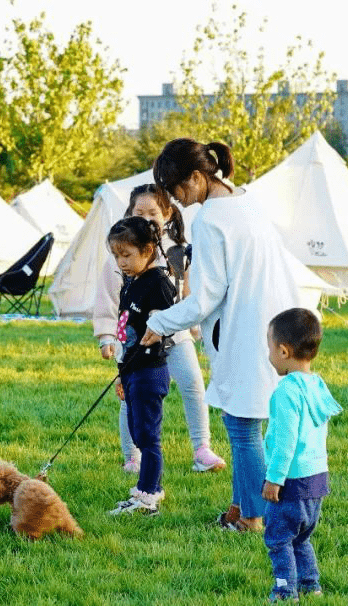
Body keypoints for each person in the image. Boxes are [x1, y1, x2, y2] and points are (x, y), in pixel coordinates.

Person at [140, 138, 303, 532]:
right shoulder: (246, 200)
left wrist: (158, 323)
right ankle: (239, 505)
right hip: (275, 322)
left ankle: (253, 517)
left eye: (177, 189)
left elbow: (206, 297)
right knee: (244, 422)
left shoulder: (211, 218)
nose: (177, 200)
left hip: (247, 330)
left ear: (197, 177)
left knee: (243, 428)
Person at [94, 184, 225, 474]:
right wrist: (106, 336)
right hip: (136, 340)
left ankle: (201, 448)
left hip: (174, 333)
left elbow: (187, 293)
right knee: (132, 394)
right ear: (130, 213)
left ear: (167, 214)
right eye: (139, 212)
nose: (147, 217)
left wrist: (195, 328)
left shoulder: (179, 251)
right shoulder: (121, 255)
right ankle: (132, 455)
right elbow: (108, 299)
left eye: (153, 212)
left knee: (193, 385)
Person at [262, 308, 341, 602]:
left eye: (270, 348)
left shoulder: (286, 392)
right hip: (317, 479)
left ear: (284, 351)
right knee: (301, 538)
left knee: (278, 540)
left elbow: (285, 443)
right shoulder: (317, 385)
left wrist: (274, 479)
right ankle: (311, 585)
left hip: (291, 482)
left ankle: (284, 590)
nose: (269, 355)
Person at [104, 216, 176, 516]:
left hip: (150, 371)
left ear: (148, 250)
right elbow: (126, 333)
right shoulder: (130, 282)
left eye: (127, 255)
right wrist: (121, 375)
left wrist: (160, 323)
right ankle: (150, 489)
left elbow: (169, 318)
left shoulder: (157, 282)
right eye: (117, 256)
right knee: (137, 432)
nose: (121, 262)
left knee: (148, 436)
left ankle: (147, 497)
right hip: (132, 371)